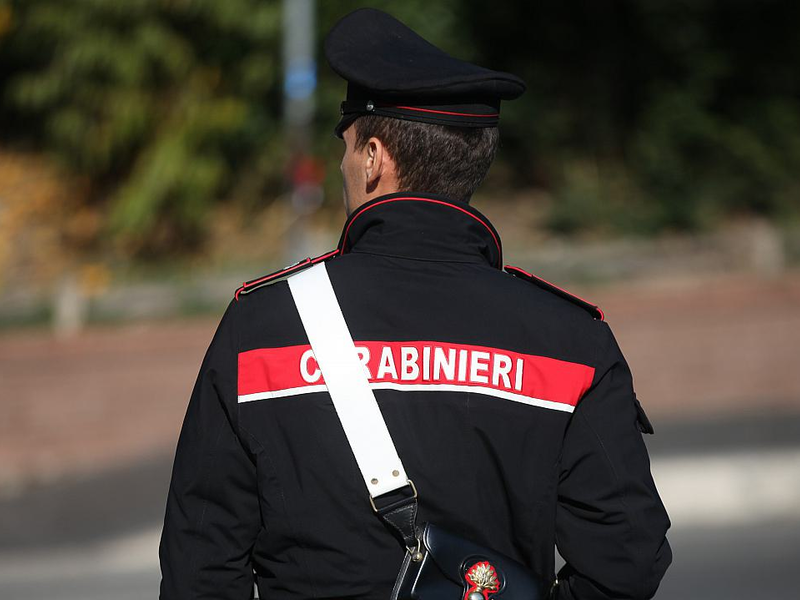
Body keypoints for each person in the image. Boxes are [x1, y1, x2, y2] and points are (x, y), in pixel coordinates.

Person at [159, 8, 671, 600]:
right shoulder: (570, 340)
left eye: (348, 146)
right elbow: (627, 557)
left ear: (375, 157)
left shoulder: (262, 328)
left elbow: (199, 569)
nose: (344, 163)